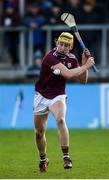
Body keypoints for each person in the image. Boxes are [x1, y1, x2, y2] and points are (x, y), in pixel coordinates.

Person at [33, 32, 95, 172]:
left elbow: (82, 81)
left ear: (71, 47)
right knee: (39, 132)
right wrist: (87, 66)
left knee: (61, 120)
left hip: (58, 95)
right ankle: (43, 159)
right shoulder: (50, 57)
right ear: (56, 43)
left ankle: (66, 157)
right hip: (41, 95)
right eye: (60, 44)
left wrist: (84, 63)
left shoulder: (72, 59)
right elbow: (67, 74)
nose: (62, 47)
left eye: (66, 45)